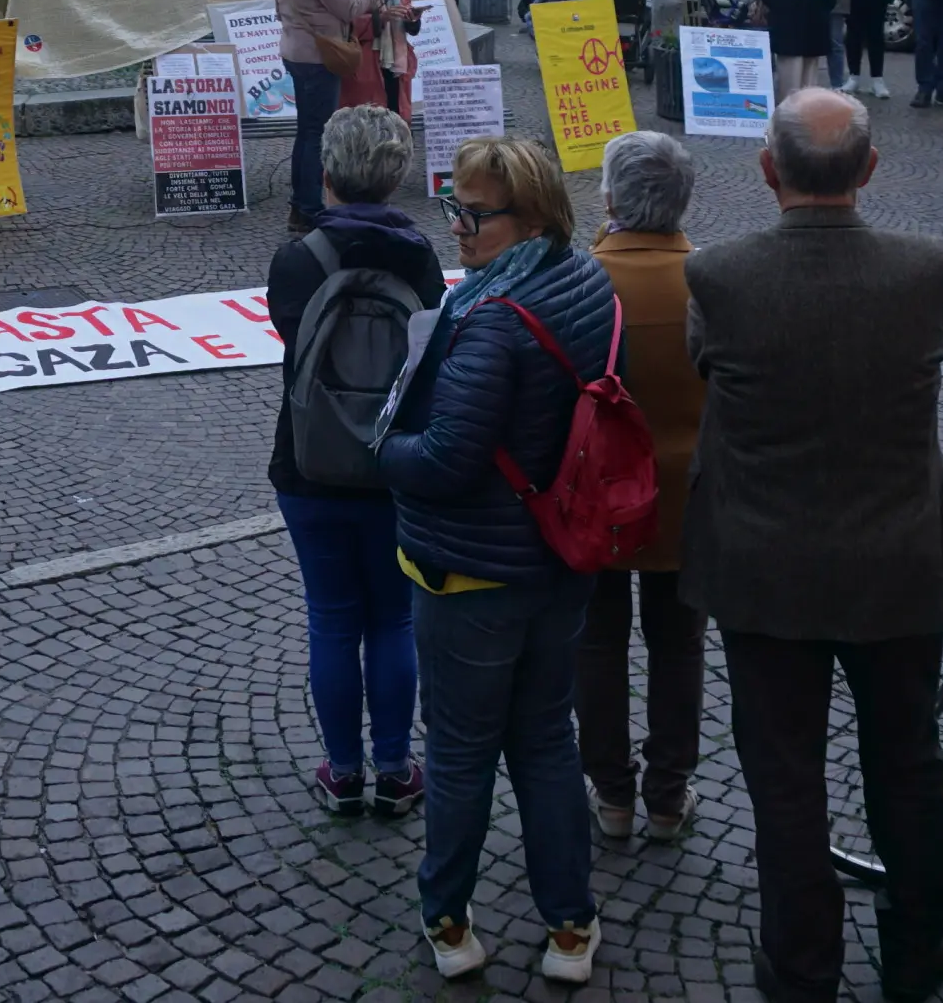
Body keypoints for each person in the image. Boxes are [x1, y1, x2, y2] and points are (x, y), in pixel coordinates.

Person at [685, 89, 943, 1002]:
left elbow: (705, 369)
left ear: (768, 171)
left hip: (769, 568)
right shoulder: (927, 271)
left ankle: (802, 969)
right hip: (897, 560)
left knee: (786, 780)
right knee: (908, 765)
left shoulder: (720, 278)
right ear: (871, 171)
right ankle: (919, 956)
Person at [375, 134, 615, 986]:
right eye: (453, 208)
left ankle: (447, 920)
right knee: (548, 739)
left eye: (472, 215)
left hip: (470, 574)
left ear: (528, 215)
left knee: (462, 750)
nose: (457, 228)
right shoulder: (584, 276)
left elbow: (445, 459)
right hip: (563, 557)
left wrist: (383, 447)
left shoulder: (488, 323)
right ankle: (570, 929)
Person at [266, 106, 444, 820]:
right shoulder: (423, 258)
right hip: (395, 460)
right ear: (395, 177)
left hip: (309, 463)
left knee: (333, 619)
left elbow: (288, 338)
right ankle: (398, 768)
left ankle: (342, 772)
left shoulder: (297, 260)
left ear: (328, 174)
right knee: (395, 621)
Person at [580, 130, 708, 846]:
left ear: (609, 198)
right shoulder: (710, 280)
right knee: (678, 644)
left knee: (597, 643)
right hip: (687, 494)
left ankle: (611, 793)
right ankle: (667, 793)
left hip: (599, 489)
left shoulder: (585, 278)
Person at [273, 0, 392, 234]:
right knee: (316, 134)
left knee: (305, 131)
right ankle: (309, 209)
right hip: (319, 53)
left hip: (295, 47)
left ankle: (301, 206)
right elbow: (350, 7)